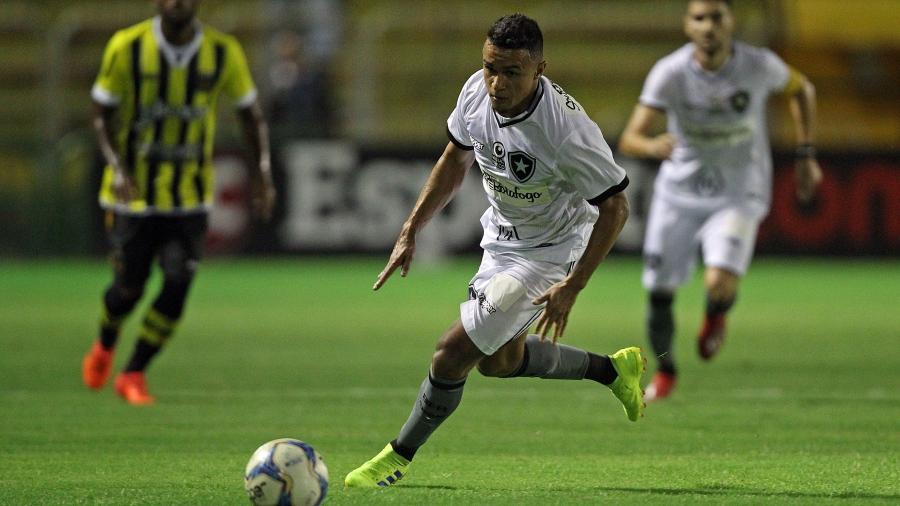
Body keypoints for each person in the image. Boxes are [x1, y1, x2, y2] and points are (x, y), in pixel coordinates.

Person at [344, 13, 645, 488]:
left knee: (451, 353)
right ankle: (612, 370)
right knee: (498, 362)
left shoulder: (566, 132)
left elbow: (616, 208)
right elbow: (454, 160)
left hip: (551, 252)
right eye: (490, 67)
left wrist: (573, 285)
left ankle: (396, 456)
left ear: (539, 70)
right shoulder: (474, 93)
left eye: (511, 73)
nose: (495, 83)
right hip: (501, 239)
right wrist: (411, 228)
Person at [618, 0, 822, 401]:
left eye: (716, 17)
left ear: (731, 23)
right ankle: (667, 372)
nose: (708, 26)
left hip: (737, 193)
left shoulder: (758, 65)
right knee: (659, 292)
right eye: (699, 18)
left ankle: (715, 315)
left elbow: (803, 90)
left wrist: (806, 153)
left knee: (719, 281)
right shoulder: (670, 72)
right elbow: (630, 137)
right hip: (678, 195)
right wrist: (651, 144)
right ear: (687, 25)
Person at [81, 0, 276, 405]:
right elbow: (100, 113)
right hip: (131, 197)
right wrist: (116, 166)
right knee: (127, 290)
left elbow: (250, 114)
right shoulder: (126, 47)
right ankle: (104, 344)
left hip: (189, 196)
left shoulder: (223, 52)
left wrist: (262, 171)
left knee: (177, 283)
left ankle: (133, 372)